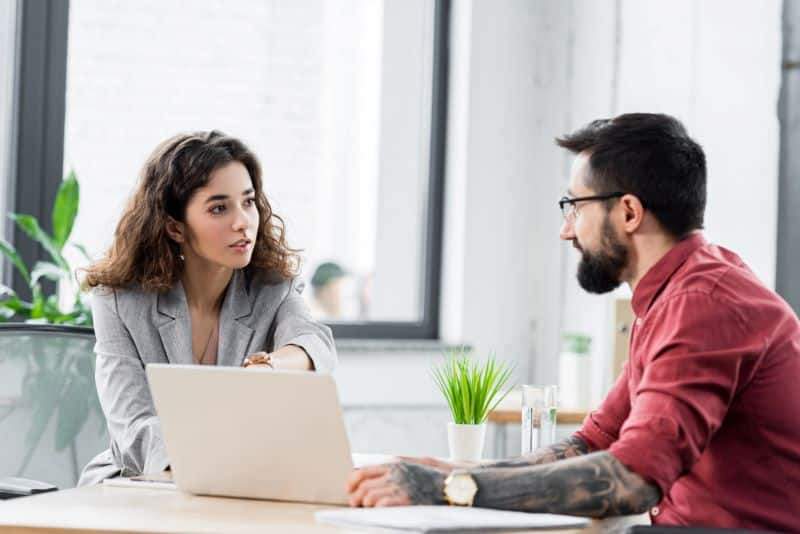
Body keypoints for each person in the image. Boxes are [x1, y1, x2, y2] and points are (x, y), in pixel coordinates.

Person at [346, 113, 800, 531]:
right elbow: (596, 441)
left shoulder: (703, 305)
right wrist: (454, 472)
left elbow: (633, 477)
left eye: (575, 206)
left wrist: (450, 491)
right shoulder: (678, 292)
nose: (566, 230)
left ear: (628, 212)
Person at [78, 131, 336, 485]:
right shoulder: (118, 300)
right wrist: (206, 469)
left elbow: (314, 342)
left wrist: (269, 367)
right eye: (219, 208)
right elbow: (134, 427)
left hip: (242, 481)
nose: (242, 221)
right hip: (140, 482)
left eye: (248, 202)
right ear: (174, 227)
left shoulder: (271, 288)